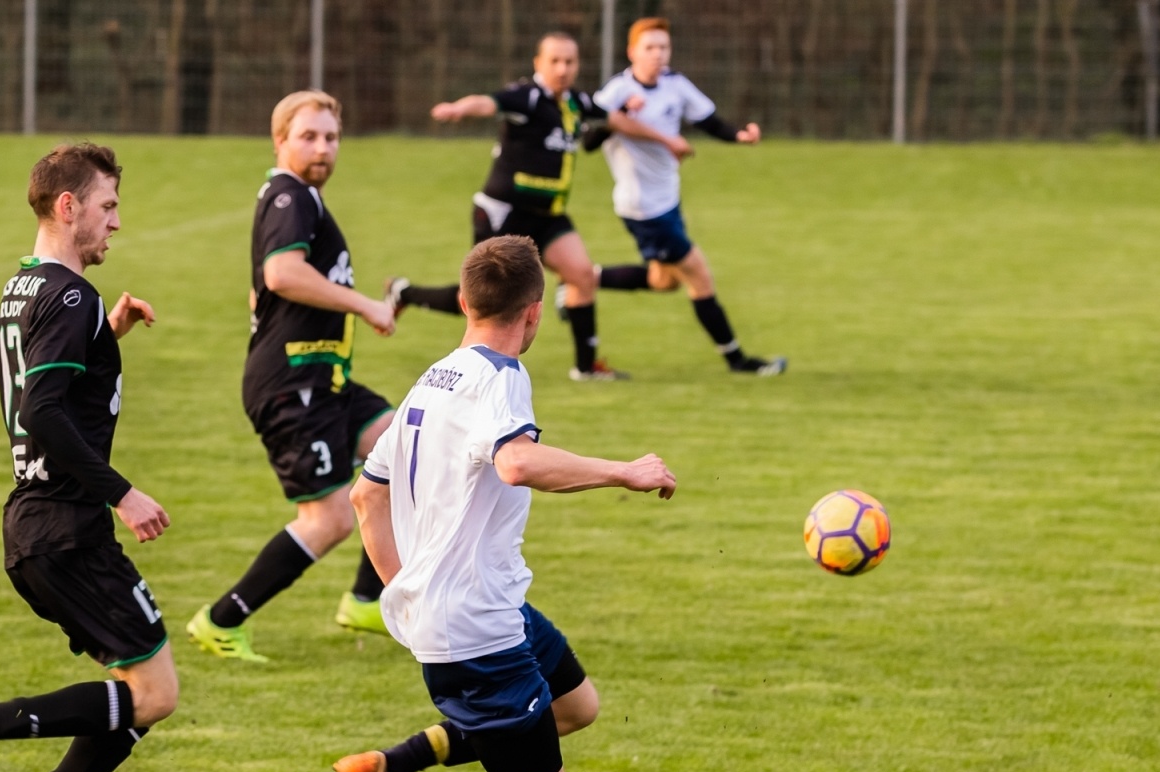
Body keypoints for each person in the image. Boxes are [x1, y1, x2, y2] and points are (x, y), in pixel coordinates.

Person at [329, 235, 677, 772]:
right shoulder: (500, 378)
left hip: (490, 603)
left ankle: (389, 766)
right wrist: (625, 471)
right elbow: (517, 463)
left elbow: (366, 499)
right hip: (474, 629)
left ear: (462, 302)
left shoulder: (436, 375)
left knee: (576, 705)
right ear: (536, 312)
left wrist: (407, 590)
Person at [0, 142, 178, 772]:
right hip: (68, 529)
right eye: (107, 206)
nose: (116, 223)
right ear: (67, 207)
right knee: (154, 694)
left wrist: (110, 334)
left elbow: (51, 378)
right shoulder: (71, 297)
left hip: (37, 529)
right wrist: (122, 492)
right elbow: (43, 410)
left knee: (132, 699)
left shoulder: (26, 288)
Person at [186, 90, 397, 663]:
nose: (323, 147)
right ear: (281, 141)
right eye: (309, 136)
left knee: (406, 449)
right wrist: (364, 304)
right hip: (293, 382)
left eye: (331, 136)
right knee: (327, 518)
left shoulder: (298, 198)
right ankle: (221, 620)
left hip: (321, 375)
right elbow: (281, 274)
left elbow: (262, 286)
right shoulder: (289, 195)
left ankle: (368, 599)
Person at [383, 32, 667, 383]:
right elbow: (488, 102)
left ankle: (586, 367)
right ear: (538, 63)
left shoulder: (577, 102)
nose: (563, 68)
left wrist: (667, 140)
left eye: (570, 61)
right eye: (555, 61)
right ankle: (404, 292)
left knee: (580, 275)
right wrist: (460, 109)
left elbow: (614, 120)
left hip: (548, 216)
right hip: (504, 213)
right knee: (478, 300)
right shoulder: (527, 97)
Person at [585, 17, 786, 376]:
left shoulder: (675, 85)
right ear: (632, 52)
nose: (658, 54)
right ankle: (737, 360)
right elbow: (587, 141)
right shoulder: (615, 93)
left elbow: (709, 120)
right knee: (699, 277)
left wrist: (739, 136)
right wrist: (622, 114)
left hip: (669, 200)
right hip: (644, 209)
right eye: (650, 48)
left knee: (665, 281)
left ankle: (583, 278)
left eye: (663, 47)